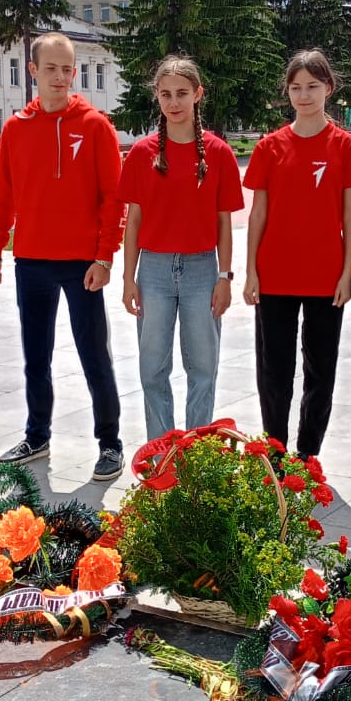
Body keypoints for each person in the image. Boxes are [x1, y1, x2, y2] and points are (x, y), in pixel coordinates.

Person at [0, 32, 126, 481]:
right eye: (52, 68)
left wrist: (104, 257)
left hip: (82, 262)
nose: (61, 77)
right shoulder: (16, 129)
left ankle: (110, 443)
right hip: (31, 261)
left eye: (68, 68)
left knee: (93, 355)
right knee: (36, 355)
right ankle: (37, 433)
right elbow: (2, 193)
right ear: (33, 71)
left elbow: (114, 198)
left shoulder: (95, 125)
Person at [243, 49, 351, 459]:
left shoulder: (346, 148)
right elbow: (258, 214)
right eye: (296, 87)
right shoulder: (269, 147)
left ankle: (307, 454)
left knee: (321, 370)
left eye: (312, 87)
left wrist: (347, 272)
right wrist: (250, 271)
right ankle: (275, 454)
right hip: (275, 274)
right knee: (274, 372)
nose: (304, 95)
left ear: (328, 89)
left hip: (324, 277)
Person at [119, 55, 243, 440]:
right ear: (157, 97)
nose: (175, 103)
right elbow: (134, 220)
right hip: (153, 271)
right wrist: (128, 278)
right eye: (166, 94)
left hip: (202, 270)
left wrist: (224, 277)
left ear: (198, 95)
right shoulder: (142, 154)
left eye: (182, 94)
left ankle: (197, 452)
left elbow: (224, 223)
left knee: (203, 367)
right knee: (152, 367)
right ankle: (160, 451)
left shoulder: (218, 153)